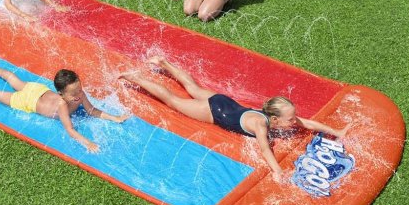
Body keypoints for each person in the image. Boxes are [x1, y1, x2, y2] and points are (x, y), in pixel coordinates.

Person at [119, 56, 350, 182]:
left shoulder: (277, 117)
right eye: (290, 119)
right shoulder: (260, 124)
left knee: (193, 87)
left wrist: (337, 132)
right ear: (275, 119)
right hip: (214, 111)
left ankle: (163, 63)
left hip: (225, 101)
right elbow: (265, 149)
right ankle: (134, 77)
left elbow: (307, 123)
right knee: (173, 100)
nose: (294, 121)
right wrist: (277, 171)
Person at [0, 64, 130, 154]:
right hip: (29, 101)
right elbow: (70, 130)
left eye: (79, 89)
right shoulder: (62, 105)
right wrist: (88, 143)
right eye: (73, 93)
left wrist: (115, 118)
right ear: (61, 94)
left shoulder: (80, 94)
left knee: (16, 81)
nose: (78, 95)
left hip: (39, 90)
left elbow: (92, 110)